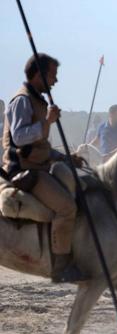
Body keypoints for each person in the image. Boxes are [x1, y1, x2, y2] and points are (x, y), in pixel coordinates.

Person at [2, 53, 87, 282]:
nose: (55, 81)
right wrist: (47, 122)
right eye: (53, 75)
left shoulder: (37, 100)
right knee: (67, 208)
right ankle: (61, 267)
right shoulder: (21, 100)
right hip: (23, 170)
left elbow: (41, 147)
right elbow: (20, 138)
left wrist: (67, 158)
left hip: (38, 165)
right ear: (39, 74)